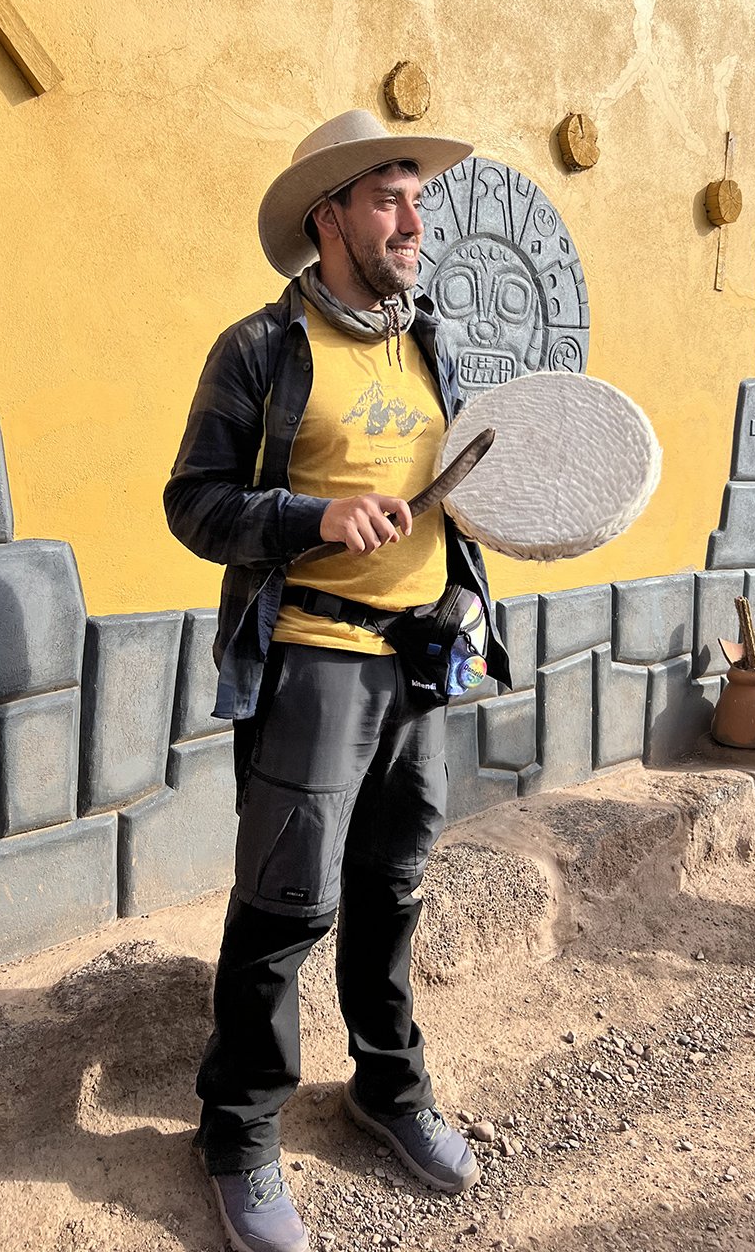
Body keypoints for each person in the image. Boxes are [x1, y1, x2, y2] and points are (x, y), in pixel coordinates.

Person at [164, 109, 510, 1252]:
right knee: (283, 905)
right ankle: (240, 1132)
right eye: (389, 198)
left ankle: (386, 1088)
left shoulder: (432, 343)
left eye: (419, 199)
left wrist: (471, 588)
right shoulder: (260, 350)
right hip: (313, 656)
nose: (416, 221)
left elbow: (460, 491)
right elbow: (196, 504)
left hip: (422, 660)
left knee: (395, 887)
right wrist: (313, 516)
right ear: (330, 217)